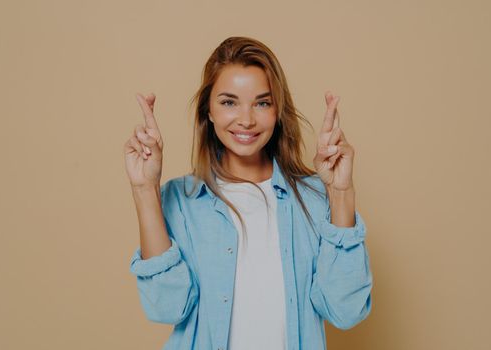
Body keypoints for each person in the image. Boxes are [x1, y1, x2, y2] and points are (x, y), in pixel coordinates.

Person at [123, 36, 372, 350]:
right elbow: (166, 308)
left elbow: (345, 311)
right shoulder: (180, 200)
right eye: (229, 102)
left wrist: (341, 192)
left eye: (262, 102)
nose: (246, 119)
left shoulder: (313, 198)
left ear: (277, 110)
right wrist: (145, 191)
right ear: (208, 111)